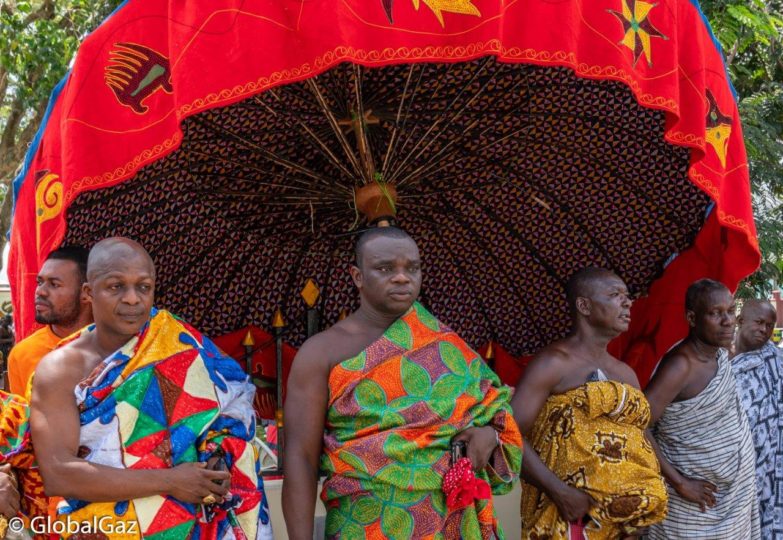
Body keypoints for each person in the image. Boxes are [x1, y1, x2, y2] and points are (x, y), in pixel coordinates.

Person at [282, 226, 523, 540]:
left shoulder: (445, 344)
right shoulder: (320, 353)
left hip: (451, 519)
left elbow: (496, 410)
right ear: (357, 276)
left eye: (412, 268)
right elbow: (300, 457)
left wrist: (490, 434)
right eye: (384, 268)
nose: (401, 277)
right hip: (367, 521)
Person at [29, 237, 272, 539]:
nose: (133, 299)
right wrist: (170, 480)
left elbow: (233, 406)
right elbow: (58, 474)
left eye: (144, 287)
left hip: (191, 525)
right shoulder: (58, 371)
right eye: (116, 286)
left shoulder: (179, 344)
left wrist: (217, 459)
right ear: (89, 293)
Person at [512, 267, 667, 539]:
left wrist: (641, 505)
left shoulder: (625, 373)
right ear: (584, 305)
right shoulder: (553, 363)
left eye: (627, 295)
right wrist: (560, 492)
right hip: (563, 514)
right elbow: (509, 433)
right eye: (615, 295)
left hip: (620, 523)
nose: (627, 302)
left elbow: (640, 436)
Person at [645, 279, 760, 539]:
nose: (728, 320)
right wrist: (679, 482)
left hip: (732, 499)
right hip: (692, 506)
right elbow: (637, 426)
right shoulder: (680, 366)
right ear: (692, 317)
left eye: (731, 311)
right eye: (715, 313)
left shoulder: (718, 355)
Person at [7, 247, 92, 396]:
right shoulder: (23, 354)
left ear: (86, 293)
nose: (40, 291)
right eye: (40, 282)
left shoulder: (119, 348)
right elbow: (22, 416)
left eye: (54, 284)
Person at [731, 299, 783, 538]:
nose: (765, 329)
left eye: (770, 325)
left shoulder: (777, 363)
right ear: (740, 321)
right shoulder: (720, 362)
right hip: (730, 466)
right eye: (759, 322)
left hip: (771, 464)